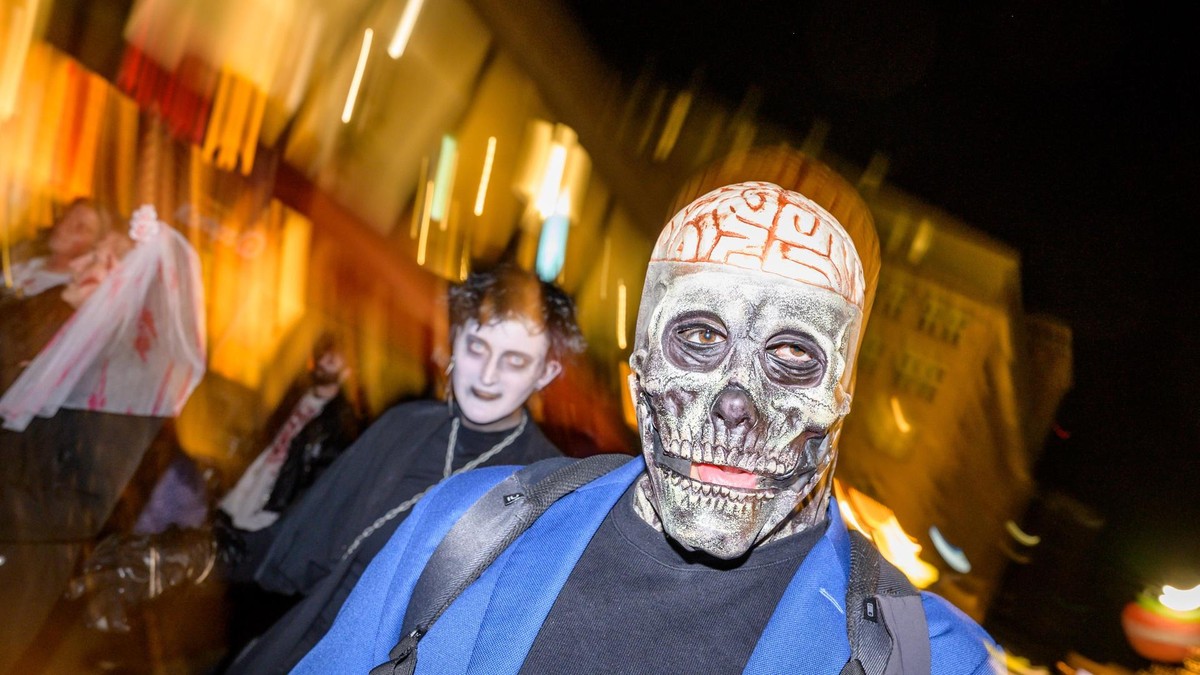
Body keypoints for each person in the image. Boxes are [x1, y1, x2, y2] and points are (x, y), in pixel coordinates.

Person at [294, 178, 1005, 674]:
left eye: (791, 355)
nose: (736, 402)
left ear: (843, 391)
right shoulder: (462, 528)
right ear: (638, 366)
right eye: (699, 338)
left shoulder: (934, 660)